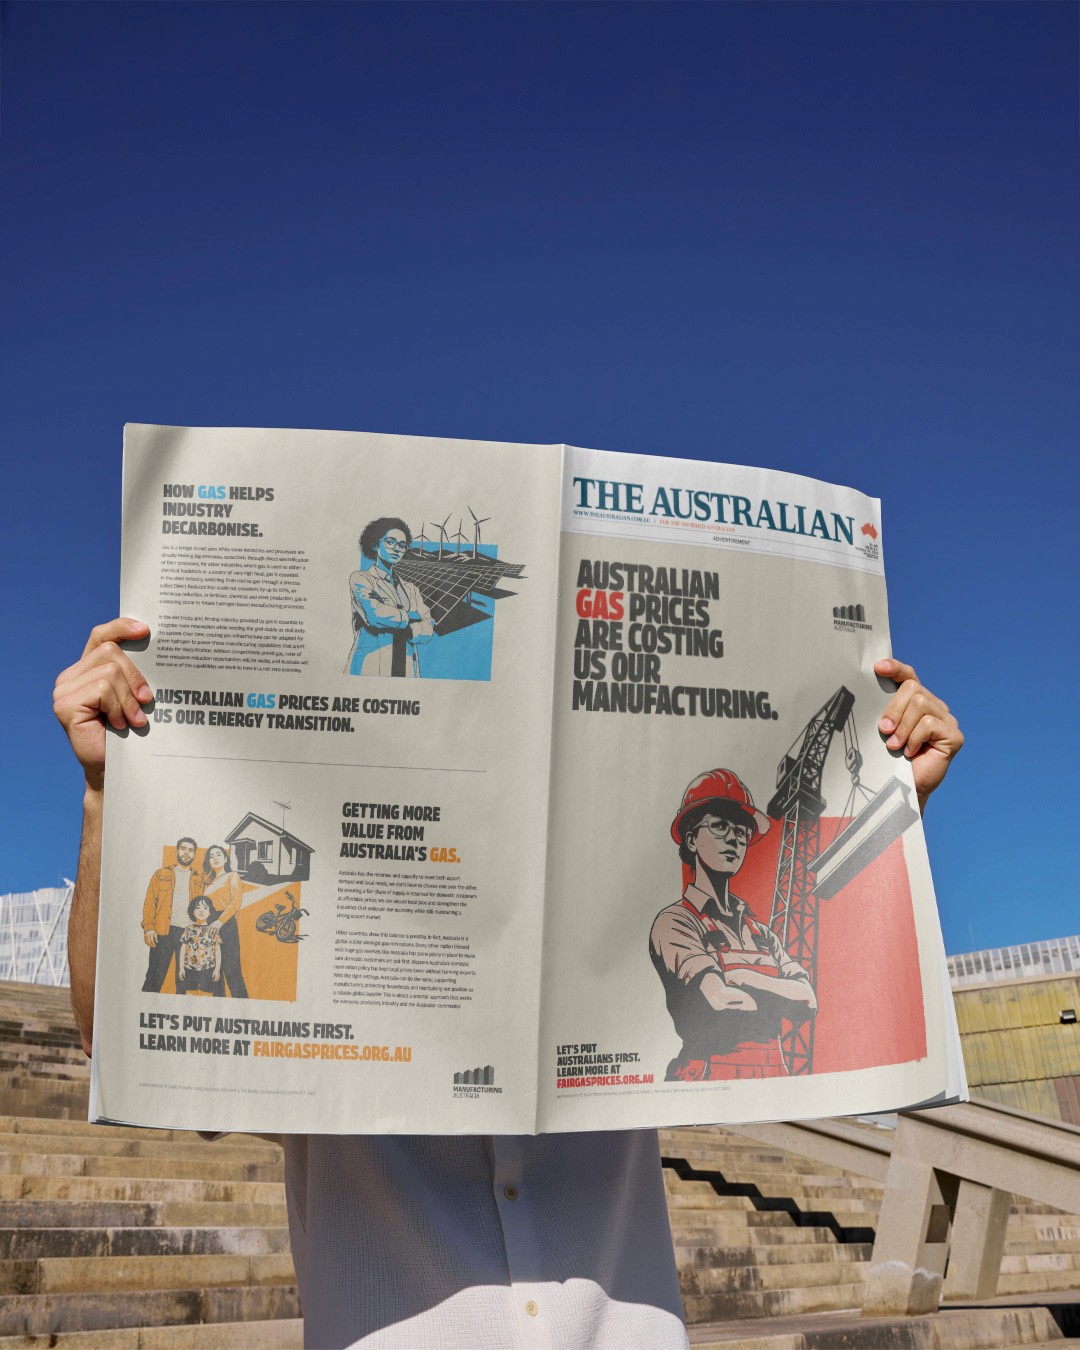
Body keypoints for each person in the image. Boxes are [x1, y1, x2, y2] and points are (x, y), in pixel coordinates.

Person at [53, 617, 963, 1349]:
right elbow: (116, 1043)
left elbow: (812, 1001)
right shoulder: (323, 964)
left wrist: (895, 799)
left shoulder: (622, 941)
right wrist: (106, 795)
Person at [650, 769, 816, 1081]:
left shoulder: (762, 933)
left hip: (774, 1081)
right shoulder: (676, 922)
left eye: (741, 832)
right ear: (691, 838)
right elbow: (721, 1001)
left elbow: (808, 1000)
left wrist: (741, 976)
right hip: (708, 1083)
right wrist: (778, 993)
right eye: (720, 826)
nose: (733, 838)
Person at [345, 517, 434, 677]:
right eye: (390, 542)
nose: (396, 548)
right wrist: (410, 617)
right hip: (371, 665)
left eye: (401, 545)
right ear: (375, 544)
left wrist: (411, 630)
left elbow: (428, 625)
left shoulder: (411, 589)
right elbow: (375, 614)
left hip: (406, 667)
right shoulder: (361, 579)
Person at [140, 833, 206, 993]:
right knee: (154, 979)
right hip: (164, 932)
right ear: (177, 851)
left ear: (194, 854)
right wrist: (149, 927)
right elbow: (150, 902)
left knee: (185, 983)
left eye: (190, 850)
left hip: (190, 935)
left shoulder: (199, 879)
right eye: (183, 848)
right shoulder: (161, 874)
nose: (186, 852)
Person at [201, 843, 248, 999]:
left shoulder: (232, 875)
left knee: (232, 969)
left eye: (218, 854)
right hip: (209, 926)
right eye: (211, 856)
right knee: (214, 971)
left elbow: (236, 901)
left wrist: (221, 921)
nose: (214, 858)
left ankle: (243, 1008)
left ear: (226, 858)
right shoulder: (208, 883)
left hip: (225, 924)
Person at [178, 895, 222, 995]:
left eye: (205, 908)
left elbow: (217, 950)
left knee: (207, 995)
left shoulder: (213, 930)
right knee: (189, 995)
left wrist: (217, 969)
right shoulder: (188, 929)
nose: (201, 911)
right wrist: (181, 968)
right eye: (197, 908)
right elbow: (183, 949)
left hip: (208, 969)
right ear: (192, 912)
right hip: (189, 969)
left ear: (210, 912)